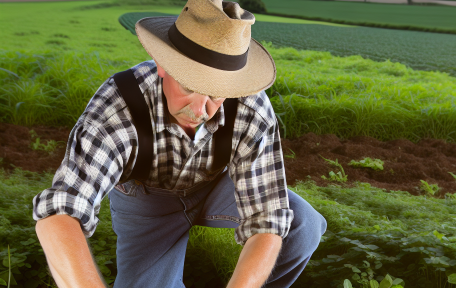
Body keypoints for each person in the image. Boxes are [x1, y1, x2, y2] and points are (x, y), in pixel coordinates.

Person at [32, 0, 327, 287]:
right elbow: (60, 214)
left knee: (303, 226)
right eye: (188, 87)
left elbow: (268, 217)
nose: (199, 111)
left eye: (215, 94)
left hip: (216, 187)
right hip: (147, 199)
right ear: (163, 65)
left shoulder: (251, 108)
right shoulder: (118, 107)